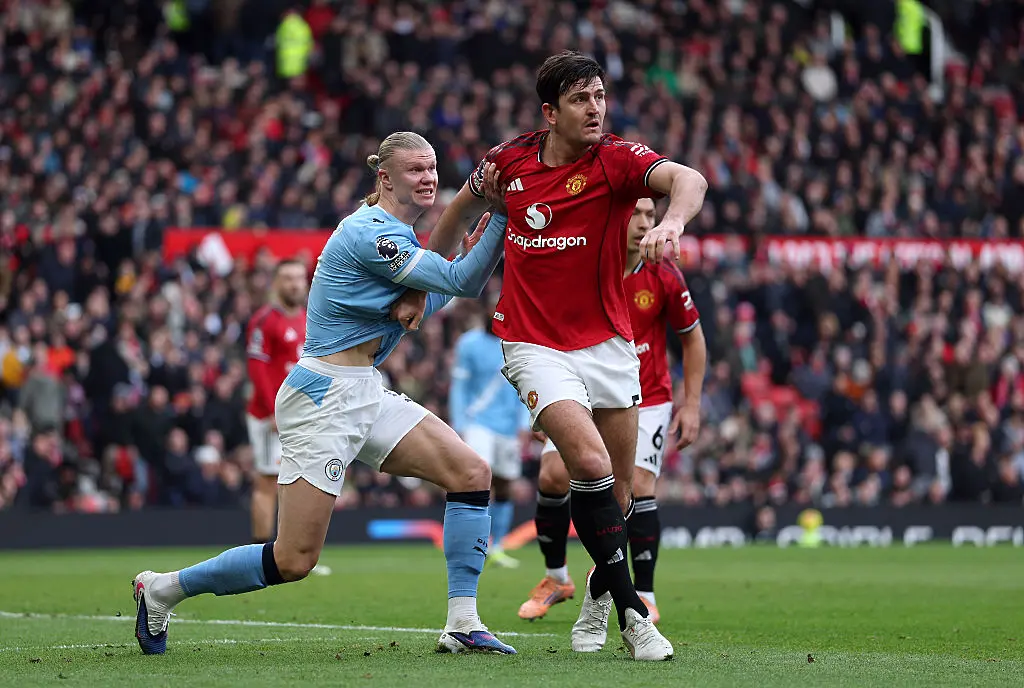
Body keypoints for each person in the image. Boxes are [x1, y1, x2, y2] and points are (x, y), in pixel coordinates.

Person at [132, 132, 518, 656]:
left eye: (432, 168)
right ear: (385, 178)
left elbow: (424, 306)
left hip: (363, 389)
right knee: (294, 559)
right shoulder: (370, 234)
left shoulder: (395, 235)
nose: (428, 177)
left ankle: (462, 621)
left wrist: (433, 289)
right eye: (415, 170)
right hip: (323, 396)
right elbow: (464, 283)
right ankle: (161, 588)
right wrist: (500, 209)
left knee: (471, 473)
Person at [400, 50, 707, 661]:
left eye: (600, 97)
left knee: (617, 499)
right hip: (533, 344)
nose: (595, 109)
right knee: (588, 464)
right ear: (551, 111)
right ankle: (635, 618)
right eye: (581, 99)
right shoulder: (507, 163)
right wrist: (418, 284)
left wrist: (672, 222)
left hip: (610, 346)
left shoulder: (618, 161)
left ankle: (597, 594)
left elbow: (690, 180)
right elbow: (458, 211)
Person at [518, 198, 707, 629]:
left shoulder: (663, 275)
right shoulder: (582, 264)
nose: (644, 224)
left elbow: (693, 340)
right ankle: (556, 579)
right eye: (634, 214)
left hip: (649, 395)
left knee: (637, 486)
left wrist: (692, 403)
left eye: (649, 215)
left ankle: (644, 593)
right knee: (551, 477)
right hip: (583, 391)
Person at [244, 259, 331, 576]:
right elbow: (257, 366)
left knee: (297, 480)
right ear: (276, 284)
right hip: (272, 415)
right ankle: (258, 553)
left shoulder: (308, 319)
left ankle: (288, 552)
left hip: (301, 414)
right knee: (268, 481)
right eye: (288, 278)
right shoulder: (265, 320)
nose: (295, 284)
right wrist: (271, 410)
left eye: (299, 278)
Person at [449, 295, 532, 569]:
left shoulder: (516, 344)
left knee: (505, 483)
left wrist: (523, 424)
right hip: (477, 424)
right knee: (477, 479)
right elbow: (460, 387)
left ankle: (497, 546)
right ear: (485, 311)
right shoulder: (468, 344)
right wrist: (460, 424)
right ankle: (474, 543)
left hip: (507, 426)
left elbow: (523, 386)